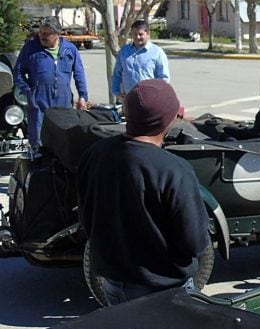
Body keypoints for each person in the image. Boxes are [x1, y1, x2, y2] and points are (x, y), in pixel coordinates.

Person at [77, 80, 210, 306]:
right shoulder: (173, 169)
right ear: (168, 120)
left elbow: (86, 217)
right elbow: (195, 242)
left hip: (112, 282)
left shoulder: (95, 153)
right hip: (164, 291)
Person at [13, 16, 89, 149]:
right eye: (41, 32)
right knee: (39, 141)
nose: (41, 36)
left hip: (63, 102)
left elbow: (79, 74)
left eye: (46, 34)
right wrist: (28, 91)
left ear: (57, 34)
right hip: (39, 101)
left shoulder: (70, 49)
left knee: (63, 139)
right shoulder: (31, 48)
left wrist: (83, 96)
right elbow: (18, 72)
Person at [111, 19, 170, 101]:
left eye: (140, 34)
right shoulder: (124, 51)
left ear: (148, 34)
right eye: (134, 34)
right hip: (129, 99)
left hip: (150, 100)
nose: (137, 37)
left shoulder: (157, 52)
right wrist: (116, 92)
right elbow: (117, 74)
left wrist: (156, 95)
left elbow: (164, 78)